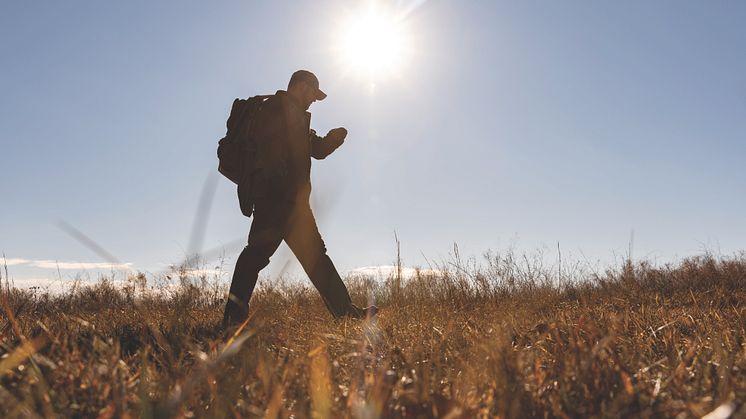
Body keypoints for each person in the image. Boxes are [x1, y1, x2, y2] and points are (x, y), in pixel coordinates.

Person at [223, 70, 375, 327]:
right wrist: (280, 194)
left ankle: (344, 312)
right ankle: (232, 318)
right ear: (302, 86)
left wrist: (335, 139)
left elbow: (316, 149)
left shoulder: (295, 116)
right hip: (278, 200)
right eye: (313, 95)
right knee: (261, 257)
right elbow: (270, 154)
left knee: (300, 257)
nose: (313, 100)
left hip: (288, 201)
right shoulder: (275, 110)